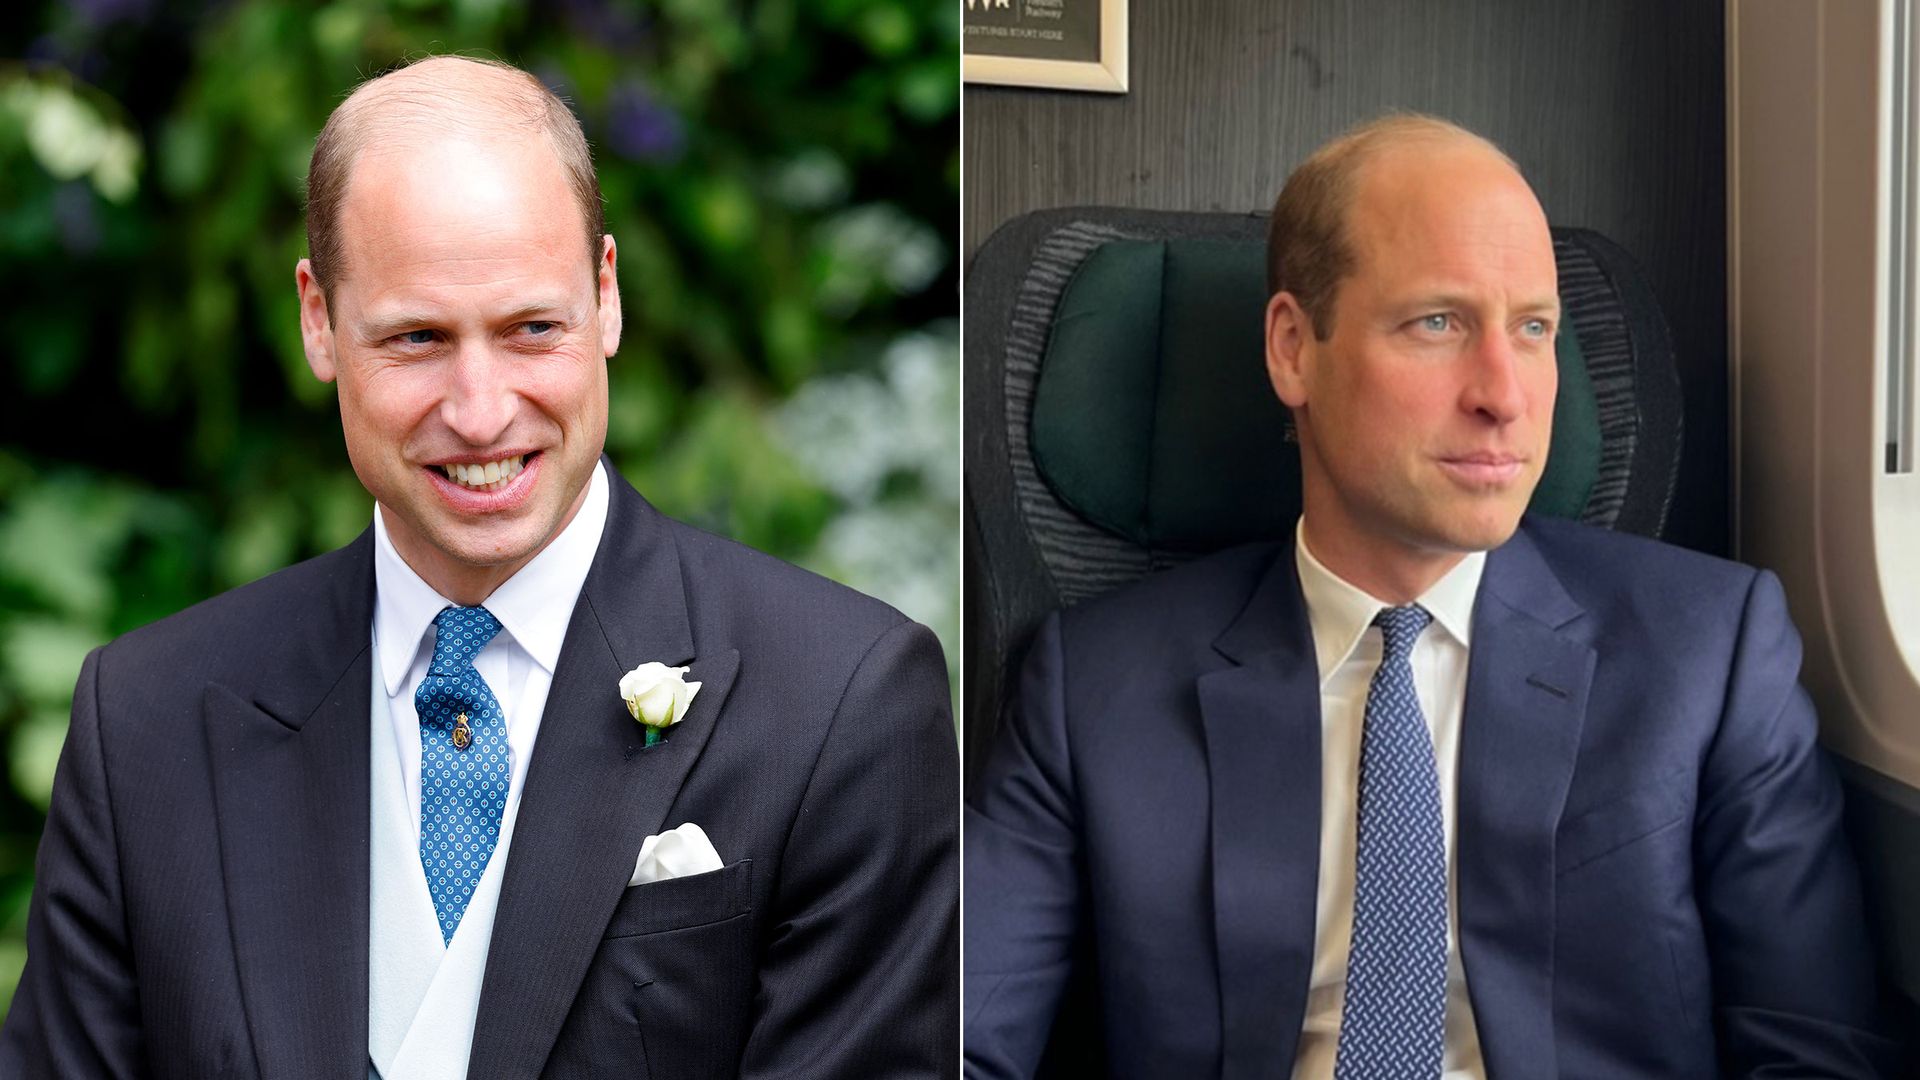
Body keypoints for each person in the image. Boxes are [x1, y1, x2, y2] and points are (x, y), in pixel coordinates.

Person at [1, 55, 957, 1080]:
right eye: (417, 338)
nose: (481, 408)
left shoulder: (840, 702)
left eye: (531, 329)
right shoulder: (148, 719)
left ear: (607, 294)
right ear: (320, 320)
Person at [962, 115, 1899, 1079]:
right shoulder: (1096, 686)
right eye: (1438, 323)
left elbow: (1816, 1049)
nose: (1507, 394)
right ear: (1293, 349)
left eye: (1534, 328)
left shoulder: (1710, 652)